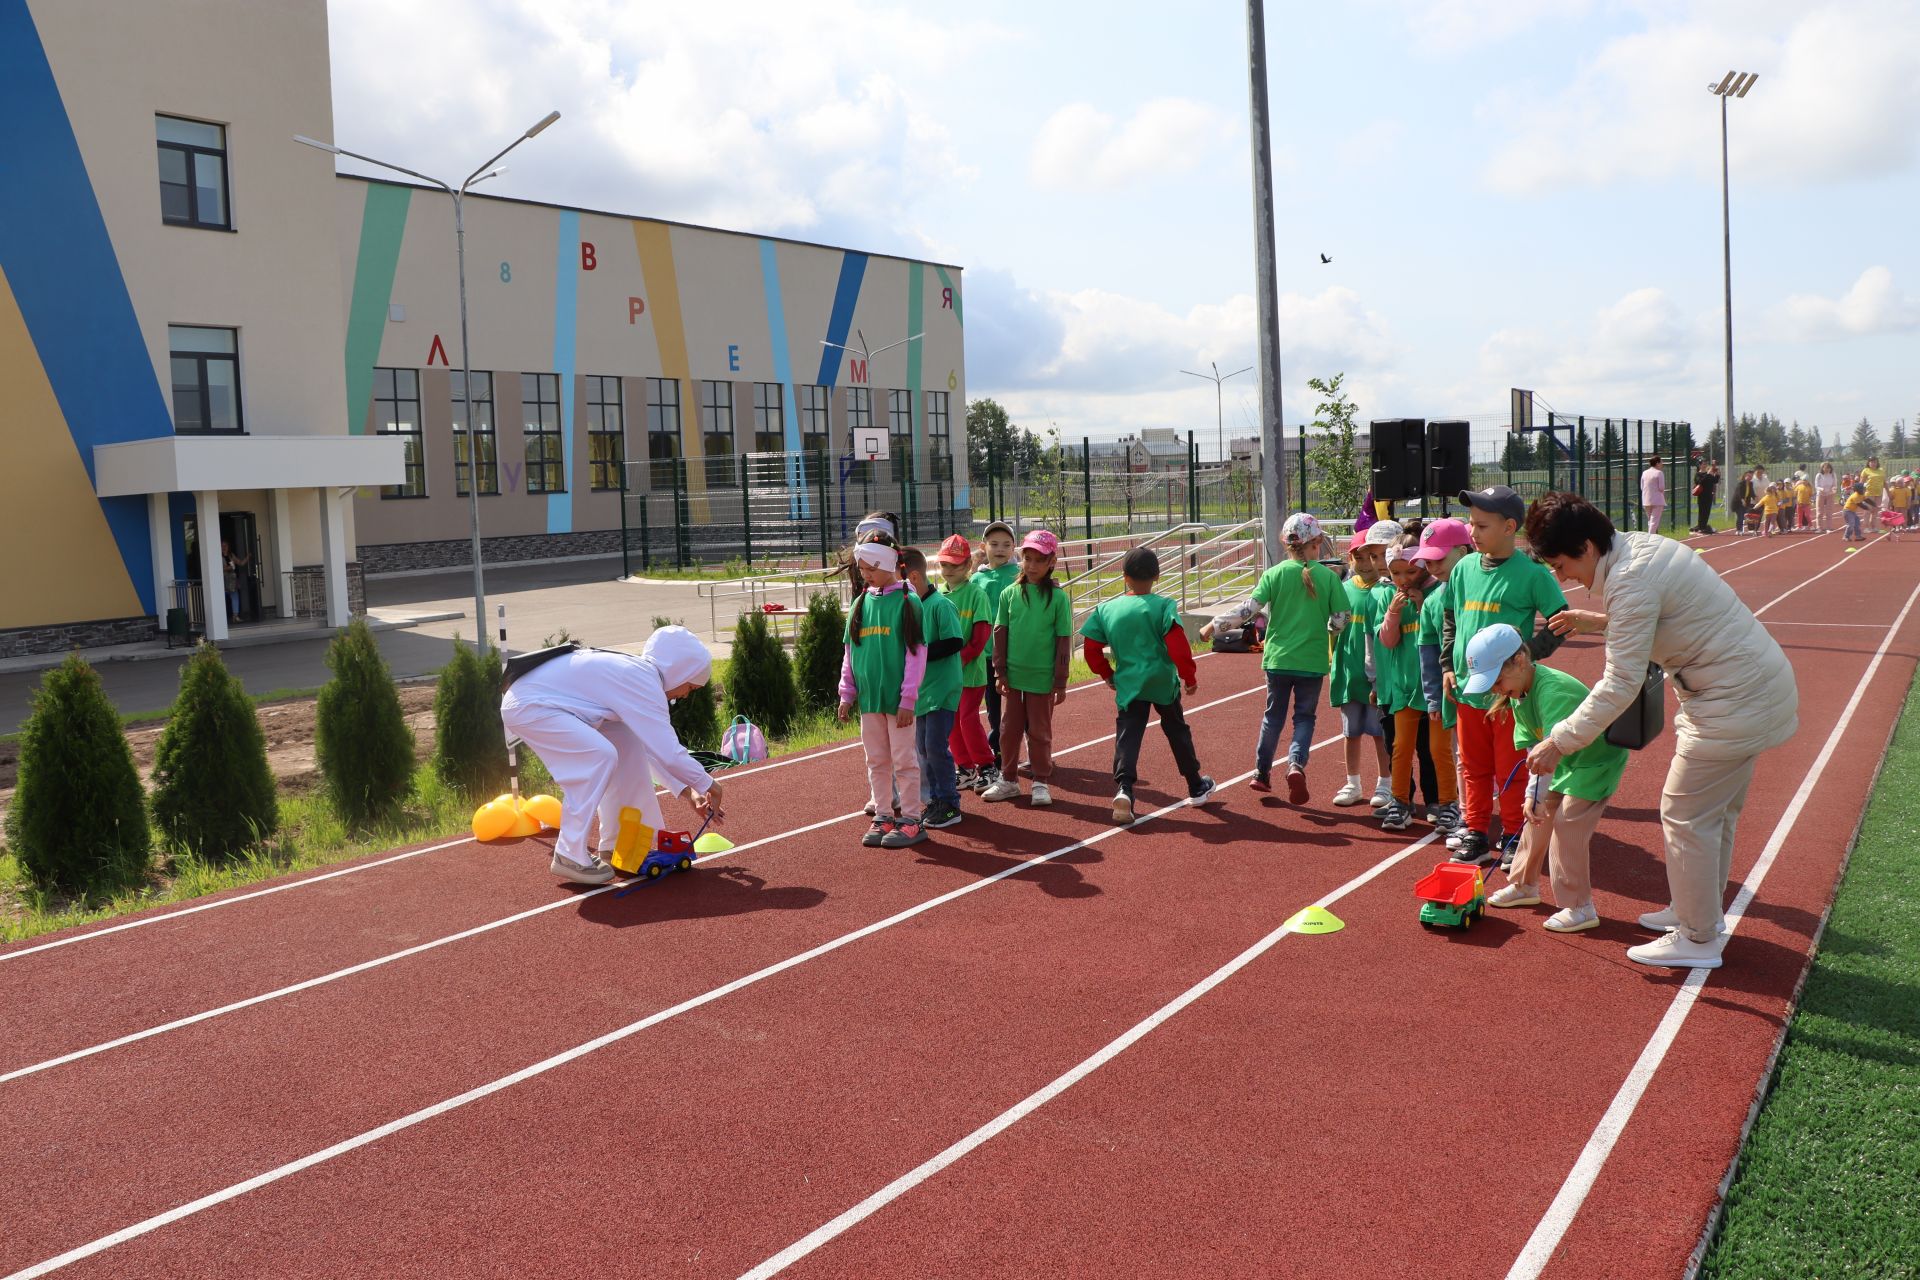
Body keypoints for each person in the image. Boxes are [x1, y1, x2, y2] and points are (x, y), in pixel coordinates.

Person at [1527, 492, 1796, 968]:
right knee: (1714, 815)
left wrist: (1559, 741)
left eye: (1562, 563)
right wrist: (1602, 621)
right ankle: (1698, 913)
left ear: (1587, 547)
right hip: (1745, 689)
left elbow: (1620, 684)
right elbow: (1661, 614)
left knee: (1685, 814)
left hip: (1733, 699)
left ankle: (1696, 938)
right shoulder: (1638, 548)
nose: (1561, 576)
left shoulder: (1628, 580)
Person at [500, 627, 721, 885]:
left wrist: (688, 791)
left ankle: (616, 845)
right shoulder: (643, 682)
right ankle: (569, 853)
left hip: (535, 702)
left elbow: (650, 750)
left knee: (627, 744)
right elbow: (669, 752)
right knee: (598, 757)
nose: (685, 695)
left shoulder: (637, 676)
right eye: (690, 687)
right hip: (531, 705)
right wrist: (710, 785)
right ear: (679, 672)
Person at [1469, 624, 1629, 932]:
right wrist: (1534, 796)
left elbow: (1550, 754)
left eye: (1497, 680)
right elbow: (1535, 748)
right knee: (1536, 818)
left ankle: (1580, 907)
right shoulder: (1519, 692)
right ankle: (1524, 885)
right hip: (1563, 762)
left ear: (1519, 661)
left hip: (1594, 763)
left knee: (1567, 825)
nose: (1495, 690)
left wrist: (1536, 793)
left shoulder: (1553, 691)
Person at [1441, 485, 1570, 868]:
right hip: (1468, 692)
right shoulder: (1463, 568)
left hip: (1507, 697)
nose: (1472, 532)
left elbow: (1561, 622)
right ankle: (1476, 831)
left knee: (1510, 769)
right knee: (1473, 767)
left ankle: (1514, 834)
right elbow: (1450, 618)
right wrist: (1448, 666)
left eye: (1481, 526)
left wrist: (1525, 658)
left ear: (1510, 527)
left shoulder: (1531, 575)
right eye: (1471, 524)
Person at [1202, 512, 1347, 802]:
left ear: (1286, 545)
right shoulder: (1329, 578)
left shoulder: (1274, 574)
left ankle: (1261, 773)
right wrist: (1329, 630)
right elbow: (1341, 620)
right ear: (1316, 543)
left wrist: (1214, 626)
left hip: (1278, 660)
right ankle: (1295, 763)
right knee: (1304, 717)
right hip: (1312, 660)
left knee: (1273, 717)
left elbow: (1248, 609)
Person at [1082, 547, 1216, 825]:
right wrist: (1189, 677)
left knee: (1128, 735)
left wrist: (1107, 674)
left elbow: (1091, 649)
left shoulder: (1107, 609)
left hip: (1130, 683)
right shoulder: (1164, 606)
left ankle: (1125, 789)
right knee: (1177, 730)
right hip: (1162, 682)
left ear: (1124, 577)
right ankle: (1195, 785)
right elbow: (1178, 646)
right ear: (1157, 575)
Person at [838, 532, 928, 848]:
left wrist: (908, 698)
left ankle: (912, 819)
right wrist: (847, 693)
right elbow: (851, 652)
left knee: (904, 760)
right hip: (871, 702)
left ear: (889, 563)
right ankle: (883, 814)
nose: (866, 575)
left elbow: (916, 654)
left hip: (898, 702)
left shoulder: (908, 601)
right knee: (876, 760)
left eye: (870, 569)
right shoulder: (861, 602)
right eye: (862, 570)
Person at [983, 529, 1073, 807]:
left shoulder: (1058, 598)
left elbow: (1062, 641)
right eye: (1027, 559)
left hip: (1042, 678)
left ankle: (1040, 781)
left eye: (1039, 560)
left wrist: (1060, 681)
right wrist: (1000, 671)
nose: (1032, 566)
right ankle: (1008, 779)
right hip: (1013, 676)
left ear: (1051, 562)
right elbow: (1001, 633)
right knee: (1008, 729)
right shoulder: (1009, 594)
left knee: (1039, 731)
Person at [1376, 542, 1443, 831]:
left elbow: (1442, 634)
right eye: (1396, 573)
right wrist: (1392, 612)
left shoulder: (1437, 593)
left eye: (1409, 571)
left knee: (1434, 749)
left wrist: (1420, 606)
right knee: (1400, 747)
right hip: (1402, 688)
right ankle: (1400, 801)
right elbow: (1387, 640)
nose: (1402, 579)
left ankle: (1440, 802)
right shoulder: (1389, 598)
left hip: (1432, 688)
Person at [1410, 518, 1469, 834]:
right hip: (1456, 695)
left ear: (1463, 551)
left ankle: (1516, 819)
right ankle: (1467, 813)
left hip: (1503, 693)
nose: (1431, 567)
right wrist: (1433, 697)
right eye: (1427, 561)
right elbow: (1427, 654)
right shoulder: (1432, 602)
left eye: (1438, 559)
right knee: (1464, 758)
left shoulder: (1480, 586)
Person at [1332, 524, 1397, 808]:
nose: (1365, 563)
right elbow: (1333, 629)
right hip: (1349, 674)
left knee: (1379, 732)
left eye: (1370, 556)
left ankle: (1385, 784)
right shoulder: (1344, 590)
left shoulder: (1384, 592)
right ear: (1351, 560)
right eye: (1358, 557)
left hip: (1378, 677)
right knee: (1351, 732)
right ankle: (1353, 783)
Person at [902, 546, 967, 831]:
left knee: (935, 746)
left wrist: (921, 652)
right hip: (923, 691)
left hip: (942, 690)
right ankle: (936, 799)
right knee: (922, 748)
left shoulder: (940, 605)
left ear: (913, 577)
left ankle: (950, 802)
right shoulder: (912, 607)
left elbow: (955, 641)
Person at [934, 536, 994, 793]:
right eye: (944, 565)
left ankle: (988, 767)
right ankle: (966, 768)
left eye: (955, 566)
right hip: (947, 676)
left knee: (967, 721)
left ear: (968, 564)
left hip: (970, 673)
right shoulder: (938, 595)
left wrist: (959, 660)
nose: (948, 571)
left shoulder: (976, 595)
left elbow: (980, 638)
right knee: (950, 723)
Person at [971, 521, 1019, 784]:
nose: (1000, 549)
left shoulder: (1018, 575)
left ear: (1014, 548)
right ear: (983, 547)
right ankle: (998, 753)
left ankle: (1024, 749)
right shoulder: (977, 579)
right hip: (985, 656)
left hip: (1014, 656)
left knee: (1016, 708)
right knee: (992, 708)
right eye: (994, 544)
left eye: (1006, 544)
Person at [220, 540, 248, 624]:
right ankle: (221, 618)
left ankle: (235, 617)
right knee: (221, 598)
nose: (224, 547)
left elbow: (241, 563)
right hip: (223, 580)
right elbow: (218, 568)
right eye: (222, 546)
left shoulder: (231, 555)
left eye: (226, 545)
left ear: (228, 547)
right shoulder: (217, 556)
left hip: (232, 580)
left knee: (235, 596)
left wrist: (248, 557)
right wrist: (228, 568)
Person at [1640, 455, 1666, 534]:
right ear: (1657, 463)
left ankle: (1653, 537)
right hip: (1657, 500)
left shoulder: (1644, 473)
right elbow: (1661, 487)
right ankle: (1650, 539)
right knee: (1654, 522)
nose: (1662, 463)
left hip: (1646, 500)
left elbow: (1642, 486)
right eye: (1661, 462)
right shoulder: (1659, 473)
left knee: (1650, 521)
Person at [1692, 462, 1720, 534]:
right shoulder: (1698, 474)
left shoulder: (1708, 474)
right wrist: (1707, 474)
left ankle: (1703, 527)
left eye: (1705, 464)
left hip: (1709, 495)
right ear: (1700, 465)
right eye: (1703, 464)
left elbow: (1715, 481)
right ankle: (1701, 527)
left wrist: (1717, 474)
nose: (1704, 465)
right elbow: (1700, 482)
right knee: (1702, 512)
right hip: (1701, 496)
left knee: (1707, 512)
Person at [1814, 461, 1838, 532]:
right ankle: (1819, 528)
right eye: (1825, 468)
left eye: (1828, 468)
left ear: (1831, 468)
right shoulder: (1819, 475)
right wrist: (1821, 489)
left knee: (1829, 512)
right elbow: (1816, 486)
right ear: (1822, 468)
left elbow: (1835, 484)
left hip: (1830, 494)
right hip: (1820, 494)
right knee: (1819, 512)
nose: (1827, 469)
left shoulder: (1833, 475)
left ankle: (1829, 527)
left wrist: (1833, 489)